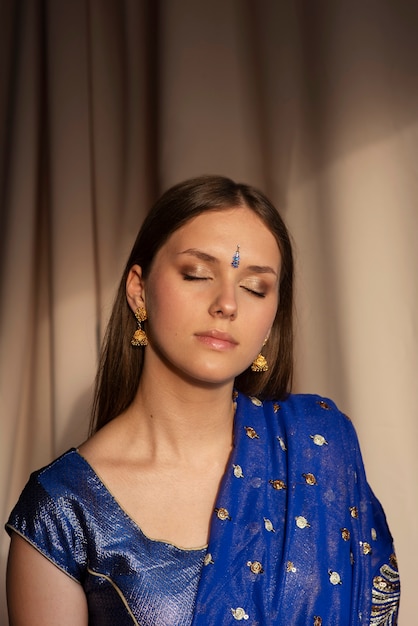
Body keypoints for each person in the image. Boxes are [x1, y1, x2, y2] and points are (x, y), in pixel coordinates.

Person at [6, 176, 399, 625]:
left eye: (255, 288)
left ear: (271, 321)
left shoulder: (320, 444)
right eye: (197, 274)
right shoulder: (63, 512)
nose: (227, 303)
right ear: (139, 290)